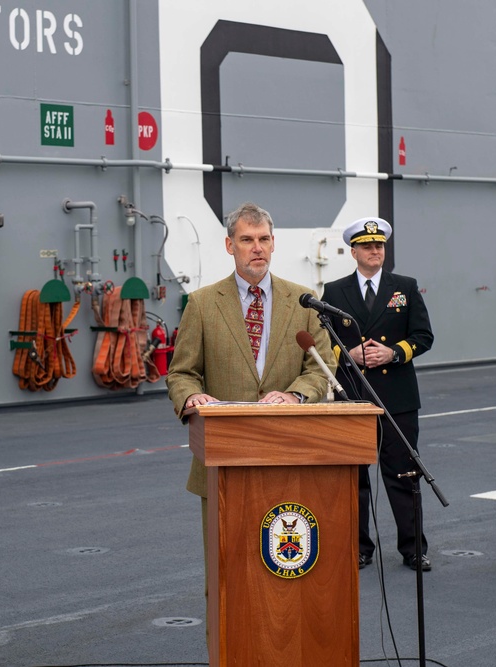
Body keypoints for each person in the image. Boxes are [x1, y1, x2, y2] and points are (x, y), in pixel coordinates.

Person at [166, 201, 335, 626]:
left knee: (288, 571)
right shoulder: (203, 304)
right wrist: (192, 400)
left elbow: (321, 367)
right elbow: (182, 373)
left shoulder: (305, 301)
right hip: (224, 464)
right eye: (246, 240)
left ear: (274, 243)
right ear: (229, 245)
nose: (256, 248)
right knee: (227, 577)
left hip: (292, 459)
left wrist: (296, 396)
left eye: (263, 240)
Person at [321, 217, 434, 572]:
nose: (375, 250)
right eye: (367, 245)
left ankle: (413, 548)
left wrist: (393, 352)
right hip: (354, 396)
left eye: (380, 245)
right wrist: (346, 354)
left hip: (397, 398)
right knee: (354, 478)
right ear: (353, 251)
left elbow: (423, 336)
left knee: (404, 475)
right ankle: (359, 547)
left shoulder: (405, 287)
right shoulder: (334, 291)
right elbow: (322, 342)